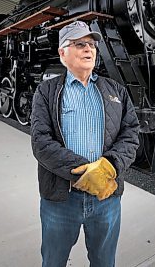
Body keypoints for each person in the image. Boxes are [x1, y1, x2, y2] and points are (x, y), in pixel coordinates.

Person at [31, 20, 140, 266]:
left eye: (91, 45)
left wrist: (108, 167)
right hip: (61, 199)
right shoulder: (46, 92)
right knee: (53, 261)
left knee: (104, 262)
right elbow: (40, 142)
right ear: (62, 53)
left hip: (106, 197)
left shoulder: (116, 90)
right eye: (80, 44)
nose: (88, 49)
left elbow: (131, 133)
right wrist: (85, 171)